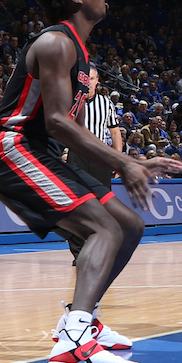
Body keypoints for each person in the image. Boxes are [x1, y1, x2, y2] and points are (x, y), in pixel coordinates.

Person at [0, 0, 175, 363]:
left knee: (128, 225)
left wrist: (130, 161)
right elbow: (57, 122)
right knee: (103, 229)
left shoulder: (81, 52)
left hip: (37, 149)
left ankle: (80, 321)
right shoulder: (56, 43)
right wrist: (125, 163)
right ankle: (73, 345)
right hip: (11, 147)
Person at [58, 62, 124, 265]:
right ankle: (80, 253)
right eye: (84, 78)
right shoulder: (70, 102)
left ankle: (102, 249)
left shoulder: (106, 103)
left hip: (100, 157)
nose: (88, 82)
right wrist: (64, 152)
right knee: (76, 206)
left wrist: (118, 158)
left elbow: (114, 131)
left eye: (92, 78)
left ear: (97, 81)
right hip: (76, 156)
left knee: (103, 207)